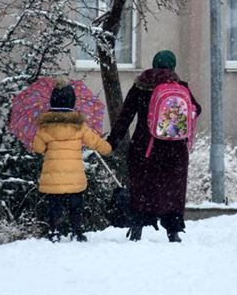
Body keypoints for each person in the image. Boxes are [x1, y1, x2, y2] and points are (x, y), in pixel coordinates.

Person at [108, 50, 202, 243]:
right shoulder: (180, 87)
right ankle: (173, 231)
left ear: (154, 64)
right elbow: (197, 109)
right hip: (175, 150)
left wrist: (112, 141)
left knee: (142, 188)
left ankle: (137, 229)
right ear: (173, 66)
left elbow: (126, 115)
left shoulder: (141, 87)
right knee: (172, 190)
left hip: (145, 147)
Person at [33, 79, 112, 242]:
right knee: (76, 206)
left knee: (55, 206)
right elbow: (94, 141)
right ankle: (77, 231)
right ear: (72, 101)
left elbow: (38, 148)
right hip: (74, 177)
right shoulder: (79, 125)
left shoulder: (45, 126)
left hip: (53, 178)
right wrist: (108, 148)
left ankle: (55, 231)